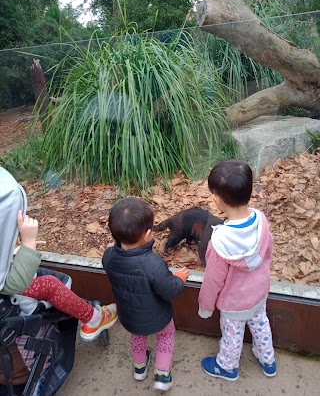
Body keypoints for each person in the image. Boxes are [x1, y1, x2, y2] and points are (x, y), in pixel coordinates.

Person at [0, 166, 118, 342]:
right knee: (51, 284)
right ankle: (94, 318)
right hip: (10, 297)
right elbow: (13, 284)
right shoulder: (7, 194)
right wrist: (29, 242)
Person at [198, 159, 276, 381]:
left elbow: (213, 281)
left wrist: (205, 307)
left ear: (217, 199)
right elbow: (267, 252)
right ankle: (268, 360)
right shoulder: (261, 220)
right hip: (259, 293)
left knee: (232, 336)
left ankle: (227, 367)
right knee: (261, 326)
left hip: (234, 303)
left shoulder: (220, 242)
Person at [102, 197, 190, 392]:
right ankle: (162, 374)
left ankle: (139, 368)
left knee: (138, 336)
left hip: (130, 316)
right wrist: (180, 278)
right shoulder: (153, 264)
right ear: (148, 234)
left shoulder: (108, 256)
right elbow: (170, 289)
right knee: (166, 335)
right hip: (159, 317)